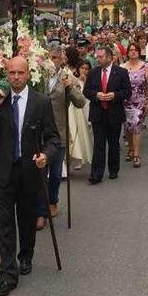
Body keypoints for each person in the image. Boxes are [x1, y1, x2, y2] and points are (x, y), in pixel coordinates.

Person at [0, 56, 59, 296]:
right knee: (4, 223)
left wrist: (46, 156)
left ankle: (26, 255)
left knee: (27, 220)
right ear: (6, 74)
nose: (16, 77)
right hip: (4, 172)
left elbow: (53, 139)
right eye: (11, 73)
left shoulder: (41, 102)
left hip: (29, 171)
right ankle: (7, 273)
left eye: (20, 73)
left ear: (28, 74)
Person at [38, 45, 86, 230]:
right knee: (41, 172)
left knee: (56, 174)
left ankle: (53, 201)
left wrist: (70, 89)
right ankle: (41, 211)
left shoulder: (67, 76)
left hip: (58, 132)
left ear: (62, 59)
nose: (53, 61)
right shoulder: (40, 75)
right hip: (40, 132)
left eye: (56, 58)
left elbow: (81, 102)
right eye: (50, 57)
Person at [83, 46, 132, 184]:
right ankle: (96, 174)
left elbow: (128, 91)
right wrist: (96, 95)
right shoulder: (93, 72)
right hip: (98, 113)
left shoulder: (121, 72)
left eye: (100, 57)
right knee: (98, 144)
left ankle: (113, 169)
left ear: (109, 58)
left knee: (113, 143)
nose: (98, 59)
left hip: (114, 113)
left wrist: (115, 95)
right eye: (97, 57)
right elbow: (86, 91)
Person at [122, 43, 148, 168]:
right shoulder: (122, 67)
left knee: (136, 126)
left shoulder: (146, 66)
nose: (133, 52)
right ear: (127, 52)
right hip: (125, 101)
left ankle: (137, 155)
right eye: (131, 50)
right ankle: (131, 148)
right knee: (128, 127)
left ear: (139, 52)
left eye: (135, 50)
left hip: (139, 101)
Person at [68, 55, 93, 171]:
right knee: (75, 134)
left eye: (86, 68)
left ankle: (82, 158)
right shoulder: (73, 80)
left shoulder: (90, 82)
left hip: (87, 108)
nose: (84, 70)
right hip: (75, 110)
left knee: (85, 134)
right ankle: (74, 158)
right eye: (82, 68)